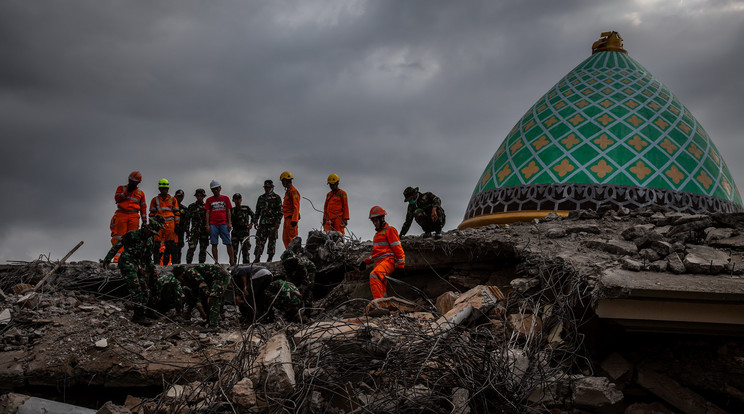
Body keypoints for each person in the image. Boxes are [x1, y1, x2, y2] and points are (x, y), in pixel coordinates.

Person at [103, 216, 165, 326]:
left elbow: (147, 258)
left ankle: (147, 311)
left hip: (139, 264)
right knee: (136, 288)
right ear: (146, 229)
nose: (151, 235)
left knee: (145, 289)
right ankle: (138, 316)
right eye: (150, 232)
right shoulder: (133, 234)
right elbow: (118, 245)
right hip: (127, 263)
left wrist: (152, 270)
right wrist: (108, 259)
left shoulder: (150, 241)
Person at [359, 206, 405, 299]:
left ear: (382, 218)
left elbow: (398, 248)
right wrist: (366, 262)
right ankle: (385, 305)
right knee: (381, 286)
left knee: (374, 275)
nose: (375, 224)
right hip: (379, 263)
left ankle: (378, 305)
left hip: (388, 261)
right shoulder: (377, 235)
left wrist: (401, 265)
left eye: (376, 221)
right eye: (373, 221)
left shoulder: (390, 230)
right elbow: (376, 254)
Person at [178, 264, 231, 328]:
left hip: (220, 276)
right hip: (213, 279)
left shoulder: (190, 271)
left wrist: (208, 294)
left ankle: (213, 325)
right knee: (206, 299)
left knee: (213, 298)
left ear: (181, 275)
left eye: (179, 278)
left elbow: (202, 282)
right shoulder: (189, 280)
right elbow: (196, 296)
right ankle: (209, 320)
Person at [110, 171, 147, 262]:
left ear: (138, 183)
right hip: (121, 214)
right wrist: (126, 192)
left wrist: (145, 221)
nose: (132, 183)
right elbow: (117, 199)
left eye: (135, 182)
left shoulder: (140, 193)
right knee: (119, 237)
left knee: (132, 239)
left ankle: (130, 259)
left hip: (134, 216)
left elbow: (143, 207)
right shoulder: (121, 188)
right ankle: (117, 259)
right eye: (131, 181)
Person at [149, 179, 180, 265]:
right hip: (159, 224)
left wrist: (177, 224)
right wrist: (151, 225)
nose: (164, 190)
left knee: (171, 245)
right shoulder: (155, 200)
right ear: (159, 189)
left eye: (165, 188)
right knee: (156, 244)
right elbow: (151, 214)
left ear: (168, 189)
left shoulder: (172, 199)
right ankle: (156, 263)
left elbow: (177, 213)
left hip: (170, 224)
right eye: (162, 188)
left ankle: (174, 264)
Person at [205, 180, 235, 266]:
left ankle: (232, 261)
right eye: (213, 189)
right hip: (213, 224)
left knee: (228, 243)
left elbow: (228, 211)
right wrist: (207, 225)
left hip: (223, 223)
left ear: (220, 188)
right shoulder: (209, 200)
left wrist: (229, 223)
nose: (215, 190)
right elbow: (207, 212)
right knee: (214, 243)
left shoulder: (225, 198)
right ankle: (216, 261)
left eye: (216, 188)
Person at [253, 180, 283, 263]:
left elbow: (280, 212)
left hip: (273, 224)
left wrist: (278, 222)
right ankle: (257, 257)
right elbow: (257, 211)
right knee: (259, 241)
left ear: (272, 187)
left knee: (272, 242)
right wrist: (255, 221)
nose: (266, 189)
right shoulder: (261, 198)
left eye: (268, 187)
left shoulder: (277, 198)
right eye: (265, 187)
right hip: (262, 223)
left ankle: (270, 258)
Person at [280, 237, 316, 305]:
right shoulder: (287, 265)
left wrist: (301, 292)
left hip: (310, 269)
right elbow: (288, 279)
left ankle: (308, 307)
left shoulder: (300, 264)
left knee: (309, 286)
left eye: (289, 261)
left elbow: (305, 280)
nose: (287, 263)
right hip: (297, 271)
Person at [186, 188, 209, 264]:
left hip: (204, 230)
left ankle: (201, 264)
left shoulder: (207, 207)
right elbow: (187, 219)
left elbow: (210, 219)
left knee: (203, 248)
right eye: (198, 196)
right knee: (192, 247)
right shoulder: (191, 207)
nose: (199, 197)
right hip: (194, 230)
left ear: (203, 196)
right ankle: (188, 263)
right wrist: (187, 230)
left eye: (201, 196)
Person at [231, 193, 255, 264]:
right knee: (234, 250)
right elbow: (227, 219)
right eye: (236, 199)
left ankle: (246, 264)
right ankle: (233, 264)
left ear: (241, 200)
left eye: (239, 199)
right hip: (235, 231)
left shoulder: (246, 208)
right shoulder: (231, 210)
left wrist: (251, 223)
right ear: (233, 200)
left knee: (245, 250)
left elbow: (253, 215)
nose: (237, 201)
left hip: (244, 231)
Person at [280, 171, 301, 249]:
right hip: (287, 218)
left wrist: (294, 220)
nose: (282, 183)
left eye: (283, 181)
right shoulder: (288, 192)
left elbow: (296, 206)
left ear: (286, 180)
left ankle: (294, 254)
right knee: (285, 238)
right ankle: (288, 253)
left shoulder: (293, 191)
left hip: (291, 218)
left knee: (291, 238)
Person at [173, 189, 188, 264]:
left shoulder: (184, 209)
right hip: (172, 230)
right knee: (170, 247)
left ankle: (177, 264)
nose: (180, 198)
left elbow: (187, 221)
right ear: (175, 196)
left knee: (179, 248)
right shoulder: (171, 206)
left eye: (181, 197)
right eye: (178, 196)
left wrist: (186, 230)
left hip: (181, 231)